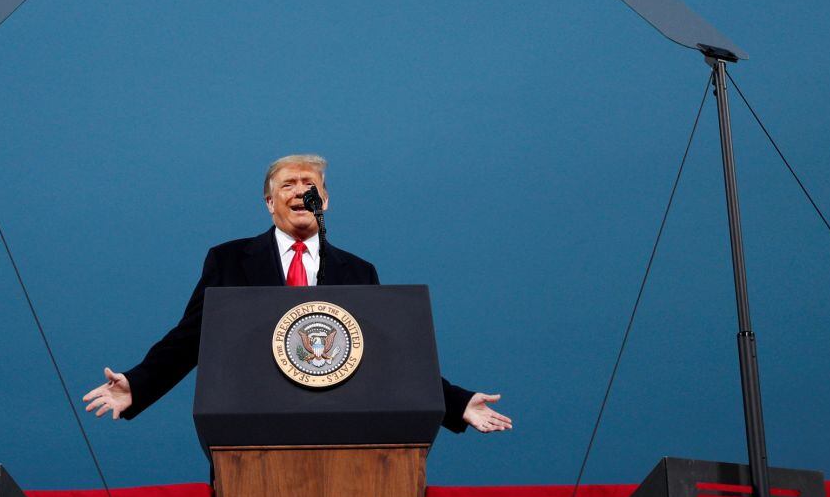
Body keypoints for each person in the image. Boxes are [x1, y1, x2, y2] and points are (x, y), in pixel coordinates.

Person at [83, 154, 512, 434]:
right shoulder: (229, 260)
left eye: (310, 184)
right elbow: (191, 337)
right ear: (269, 203)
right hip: (251, 428)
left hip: (342, 428)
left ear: (324, 200)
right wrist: (136, 385)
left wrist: (457, 404)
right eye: (288, 185)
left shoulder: (357, 271)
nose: (300, 191)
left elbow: (389, 356)